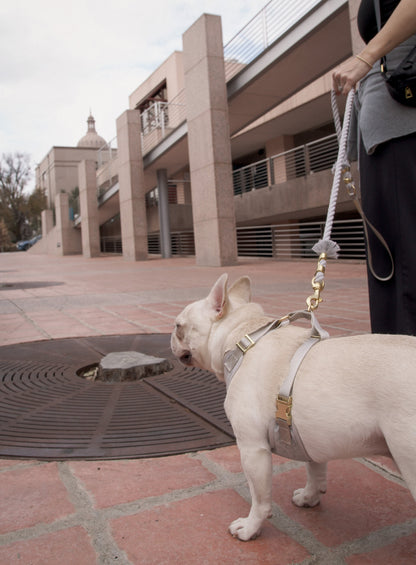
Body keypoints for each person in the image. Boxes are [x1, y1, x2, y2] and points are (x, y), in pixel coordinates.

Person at [333, 0, 416, 335]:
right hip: (388, 126)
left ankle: (400, 370)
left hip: (401, 124)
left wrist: (365, 58)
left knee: (403, 261)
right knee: (394, 261)